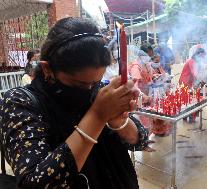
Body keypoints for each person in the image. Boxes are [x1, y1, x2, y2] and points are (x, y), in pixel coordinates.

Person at [0, 17, 149, 189]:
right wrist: (98, 115)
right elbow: (35, 183)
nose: (90, 89)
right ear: (47, 68)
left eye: (96, 81)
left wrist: (118, 120)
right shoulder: (20, 102)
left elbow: (141, 141)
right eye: (79, 84)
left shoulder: (98, 89)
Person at [179, 46, 207, 123]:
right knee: (187, 101)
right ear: (197, 54)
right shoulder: (191, 61)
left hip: (190, 82)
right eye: (201, 56)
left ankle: (190, 117)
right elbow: (195, 73)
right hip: (185, 83)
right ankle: (185, 117)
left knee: (191, 100)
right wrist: (202, 80)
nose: (202, 58)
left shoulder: (197, 62)